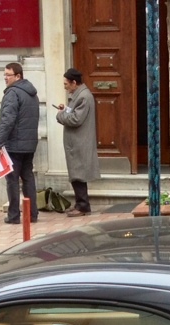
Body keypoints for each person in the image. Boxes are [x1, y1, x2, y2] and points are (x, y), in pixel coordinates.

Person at [0, 62, 39, 224]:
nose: (5, 78)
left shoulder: (13, 93)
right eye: (4, 75)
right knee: (28, 178)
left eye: (8, 75)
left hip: (15, 144)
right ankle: (32, 214)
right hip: (29, 144)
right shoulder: (32, 93)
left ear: (18, 76)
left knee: (12, 180)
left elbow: (7, 120)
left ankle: (14, 216)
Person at [54, 68, 99, 217]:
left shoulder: (84, 97)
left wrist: (60, 115)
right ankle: (80, 204)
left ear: (74, 82)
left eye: (66, 84)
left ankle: (83, 205)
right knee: (76, 173)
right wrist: (66, 109)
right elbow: (75, 113)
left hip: (80, 142)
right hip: (77, 141)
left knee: (78, 173)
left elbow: (76, 119)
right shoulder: (80, 95)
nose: (65, 87)